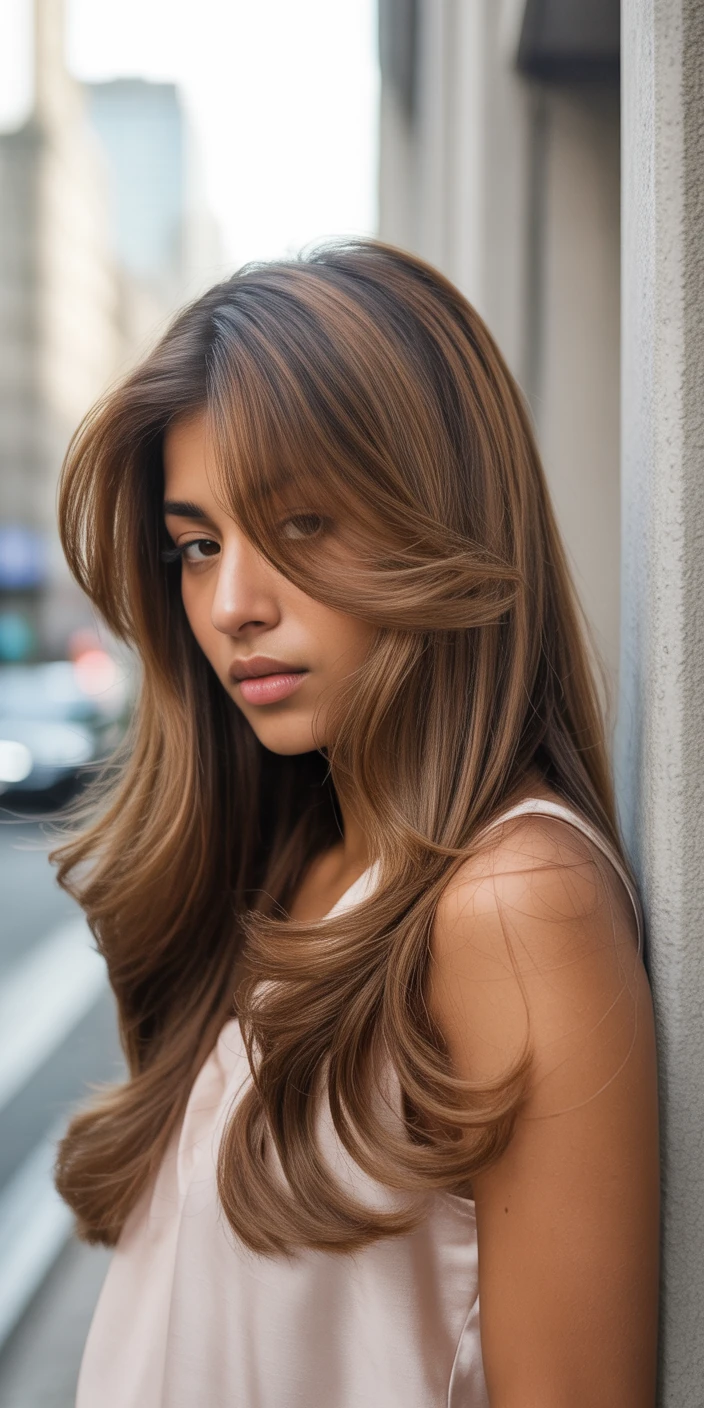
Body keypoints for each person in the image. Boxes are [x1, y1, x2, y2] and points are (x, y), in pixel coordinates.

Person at [52, 241, 659, 1407]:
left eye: (303, 523)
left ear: (438, 514)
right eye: (197, 544)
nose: (230, 604)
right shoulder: (294, 856)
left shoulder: (511, 905)